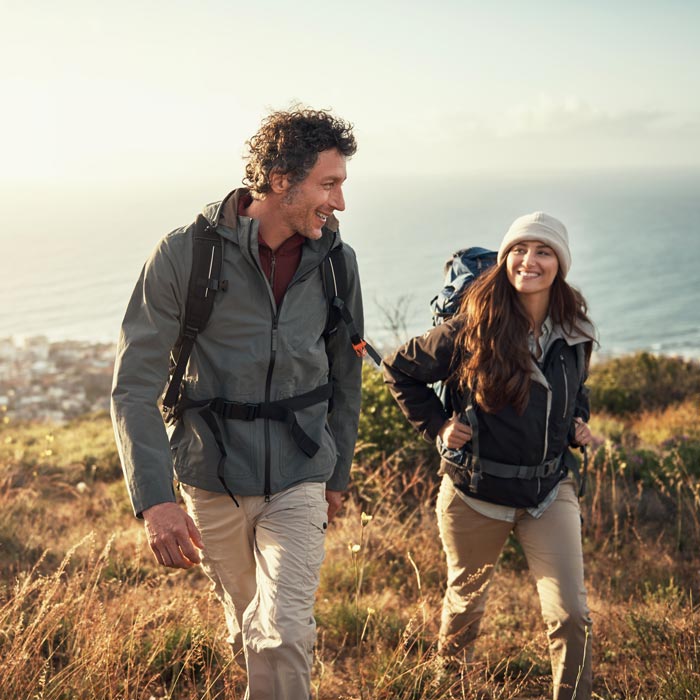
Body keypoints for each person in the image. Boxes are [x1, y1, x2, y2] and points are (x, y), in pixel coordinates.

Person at [111, 108, 364, 700]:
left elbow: (345, 377)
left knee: (283, 631)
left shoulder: (335, 262)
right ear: (281, 181)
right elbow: (133, 386)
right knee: (247, 625)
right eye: (329, 184)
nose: (341, 202)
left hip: (302, 471)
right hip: (211, 474)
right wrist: (154, 501)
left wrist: (338, 472)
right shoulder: (183, 255)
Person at [383, 212, 596, 700]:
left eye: (543, 251)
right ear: (505, 260)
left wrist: (576, 423)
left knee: (571, 615)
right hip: (474, 493)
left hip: (548, 491)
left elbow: (575, 390)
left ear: (559, 263)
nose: (529, 261)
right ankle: (449, 689)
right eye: (519, 250)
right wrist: (439, 425)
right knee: (465, 608)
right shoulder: (472, 325)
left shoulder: (576, 330)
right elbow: (400, 369)